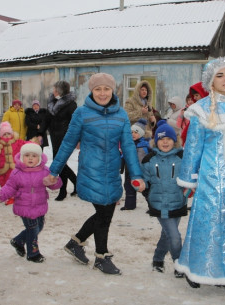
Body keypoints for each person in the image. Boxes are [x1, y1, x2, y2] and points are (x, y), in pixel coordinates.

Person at [45, 73, 145, 275]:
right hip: (91, 170)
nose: (102, 93)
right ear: (91, 91)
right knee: (104, 213)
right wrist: (54, 170)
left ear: (113, 90)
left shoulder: (121, 115)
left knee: (104, 213)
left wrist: (136, 174)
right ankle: (101, 256)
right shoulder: (81, 113)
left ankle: (76, 243)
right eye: (97, 89)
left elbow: (127, 146)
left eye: (106, 89)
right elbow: (68, 143)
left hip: (111, 171)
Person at [175, 57, 225, 293]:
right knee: (205, 226)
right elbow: (193, 149)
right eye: (220, 75)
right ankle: (195, 269)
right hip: (209, 181)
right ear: (210, 81)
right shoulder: (200, 110)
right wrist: (189, 179)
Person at [0, 143, 62, 263]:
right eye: (27, 155)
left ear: (40, 158)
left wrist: (54, 181)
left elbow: (55, 186)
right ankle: (33, 254)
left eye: (34, 155)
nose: (30, 158)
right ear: (21, 157)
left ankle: (18, 241)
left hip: (40, 205)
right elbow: (9, 188)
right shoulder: (17, 173)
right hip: (24, 207)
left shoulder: (45, 171)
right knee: (33, 229)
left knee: (39, 226)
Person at [142, 120, 187, 277]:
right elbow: (142, 181)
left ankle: (157, 259)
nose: (165, 142)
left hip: (178, 202)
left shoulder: (183, 157)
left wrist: (187, 192)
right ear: (156, 141)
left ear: (174, 141)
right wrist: (143, 190)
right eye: (161, 139)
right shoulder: (150, 160)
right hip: (159, 204)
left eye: (168, 138)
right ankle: (179, 264)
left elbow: (190, 178)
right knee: (174, 237)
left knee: (167, 234)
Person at [47, 80, 78, 200]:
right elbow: (48, 118)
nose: (53, 91)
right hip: (54, 136)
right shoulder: (52, 102)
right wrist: (40, 132)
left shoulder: (71, 105)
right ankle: (76, 183)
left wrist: (77, 139)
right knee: (59, 163)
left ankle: (63, 190)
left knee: (59, 163)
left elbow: (75, 123)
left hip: (65, 138)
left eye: (55, 89)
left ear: (60, 91)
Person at [0, 122, 27, 201]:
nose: (7, 136)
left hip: (14, 168)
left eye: (8, 133)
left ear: (12, 134)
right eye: (4, 134)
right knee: (2, 181)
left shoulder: (17, 142)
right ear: (1, 135)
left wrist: (35, 142)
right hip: (3, 168)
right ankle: (5, 195)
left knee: (15, 182)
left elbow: (26, 144)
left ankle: (14, 196)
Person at [121, 118, 150, 211]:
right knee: (128, 187)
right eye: (131, 132)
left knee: (144, 188)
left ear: (141, 133)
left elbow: (148, 157)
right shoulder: (128, 143)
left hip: (141, 170)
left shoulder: (145, 145)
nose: (133, 134)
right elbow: (124, 155)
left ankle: (153, 206)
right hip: (129, 169)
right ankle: (129, 205)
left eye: (136, 132)